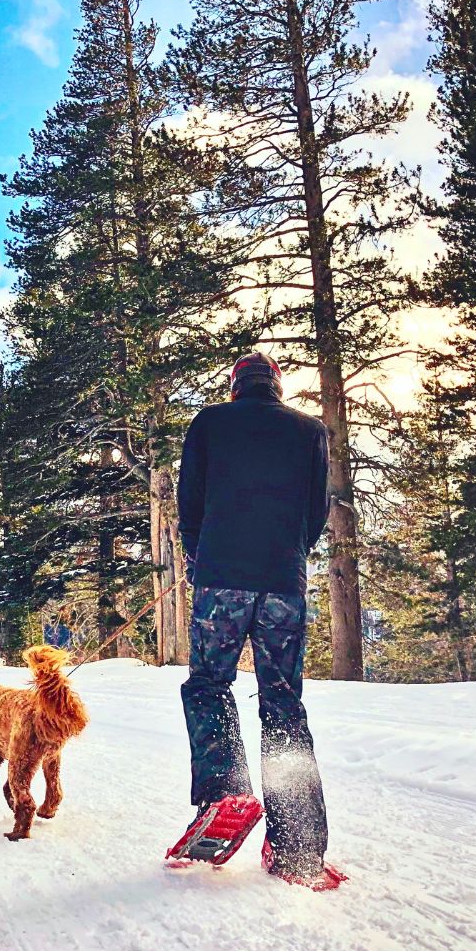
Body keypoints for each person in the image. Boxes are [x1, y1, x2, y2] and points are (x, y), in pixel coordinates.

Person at [176, 351, 332, 885]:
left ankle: (226, 793)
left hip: (222, 580)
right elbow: (317, 514)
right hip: (284, 585)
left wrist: (200, 556)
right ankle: (299, 847)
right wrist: (287, 555)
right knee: (284, 706)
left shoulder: (210, 422)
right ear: (277, 386)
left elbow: (189, 504)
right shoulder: (309, 431)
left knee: (208, 685)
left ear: (235, 385)